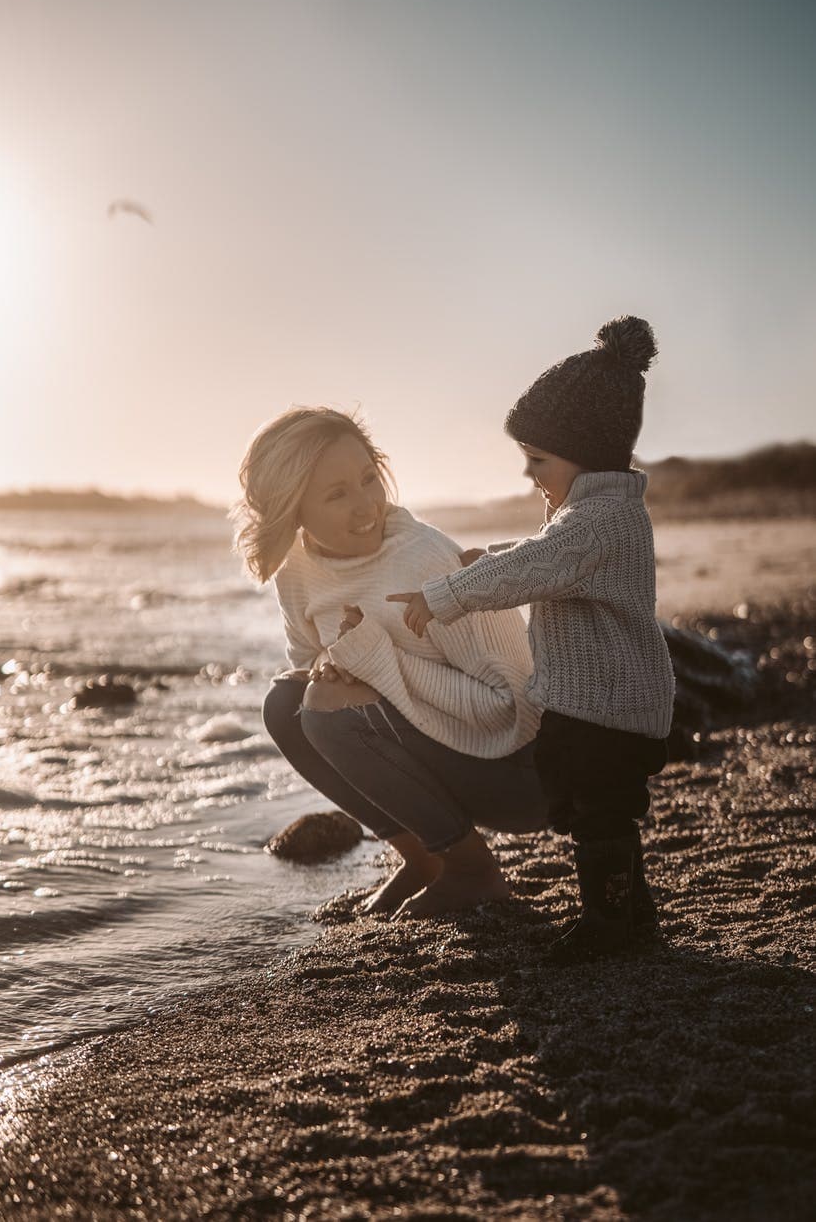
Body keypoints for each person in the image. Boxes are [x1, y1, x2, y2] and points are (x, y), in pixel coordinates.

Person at [388, 316, 675, 957]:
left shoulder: (600, 518)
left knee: (599, 815)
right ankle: (632, 917)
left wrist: (445, 597)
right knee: (592, 812)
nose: (530, 476)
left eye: (538, 460)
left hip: (608, 709)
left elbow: (539, 565)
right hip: (598, 703)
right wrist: (486, 556)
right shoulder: (593, 513)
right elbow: (542, 555)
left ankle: (609, 926)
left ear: (587, 451)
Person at [232, 406, 546, 919]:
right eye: (337, 494)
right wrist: (335, 670)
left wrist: (376, 663)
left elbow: (515, 708)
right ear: (293, 509)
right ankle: (426, 860)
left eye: (368, 479)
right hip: (443, 753)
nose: (365, 507)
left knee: (325, 709)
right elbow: (311, 669)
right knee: (285, 704)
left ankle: (474, 872)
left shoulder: (424, 562)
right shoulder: (298, 573)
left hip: (521, 772)